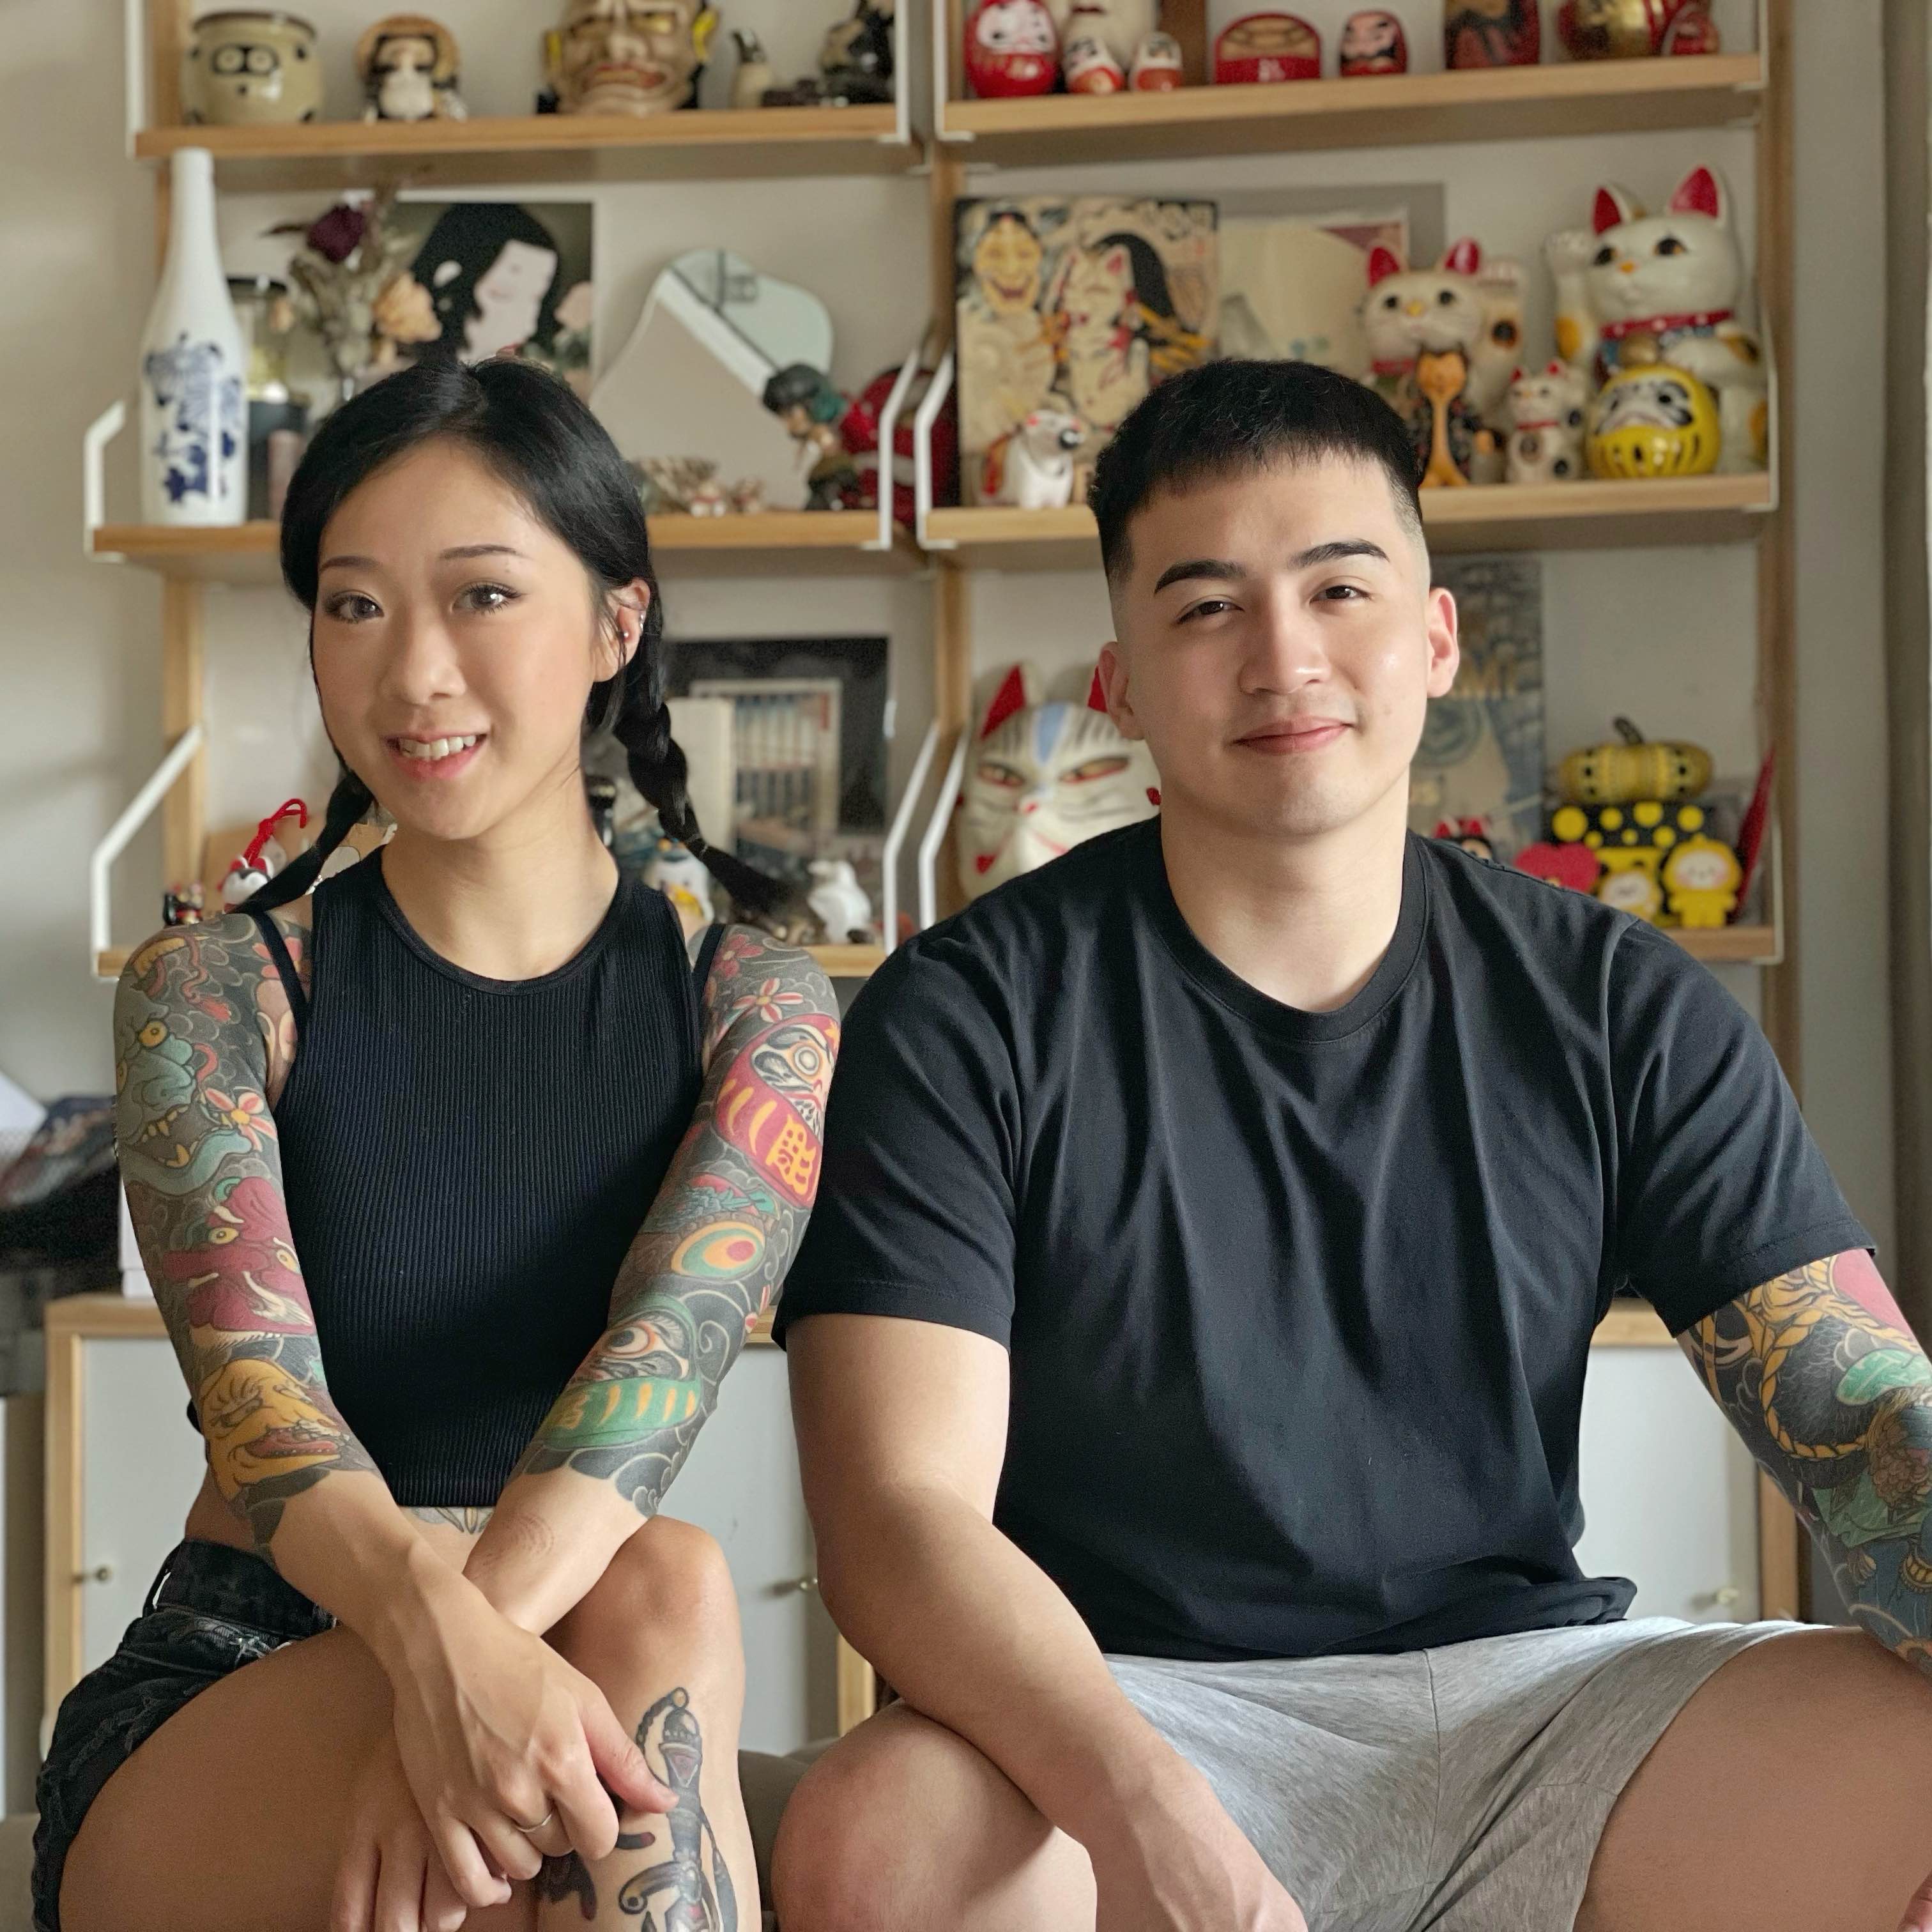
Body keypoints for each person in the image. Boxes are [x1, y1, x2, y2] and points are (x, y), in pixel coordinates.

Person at [769, 358, 1932, 1931]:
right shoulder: (967, 1013)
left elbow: (1855, 1409)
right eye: (1206, 608)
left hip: (1536, 1705)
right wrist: (1145, 1814)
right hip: (1118, 1705)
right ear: (1120, 675)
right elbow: (897, 1523)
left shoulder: (1621, 1003)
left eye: (1339, 588)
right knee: (875, 1834)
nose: (1284, 659)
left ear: (1435, 637)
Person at [38, 355, 838, 1932]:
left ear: (620, 623)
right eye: (354, 607)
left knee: (661, 1575)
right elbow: (262, 1410)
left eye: (481, 596)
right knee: (662, 1603)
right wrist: (443, 1664)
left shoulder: (758, 1006)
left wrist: (471, 1690)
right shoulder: (214, 992)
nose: (413, 674)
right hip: (237, 1680)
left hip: (573, 1652)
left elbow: (653, 1380)